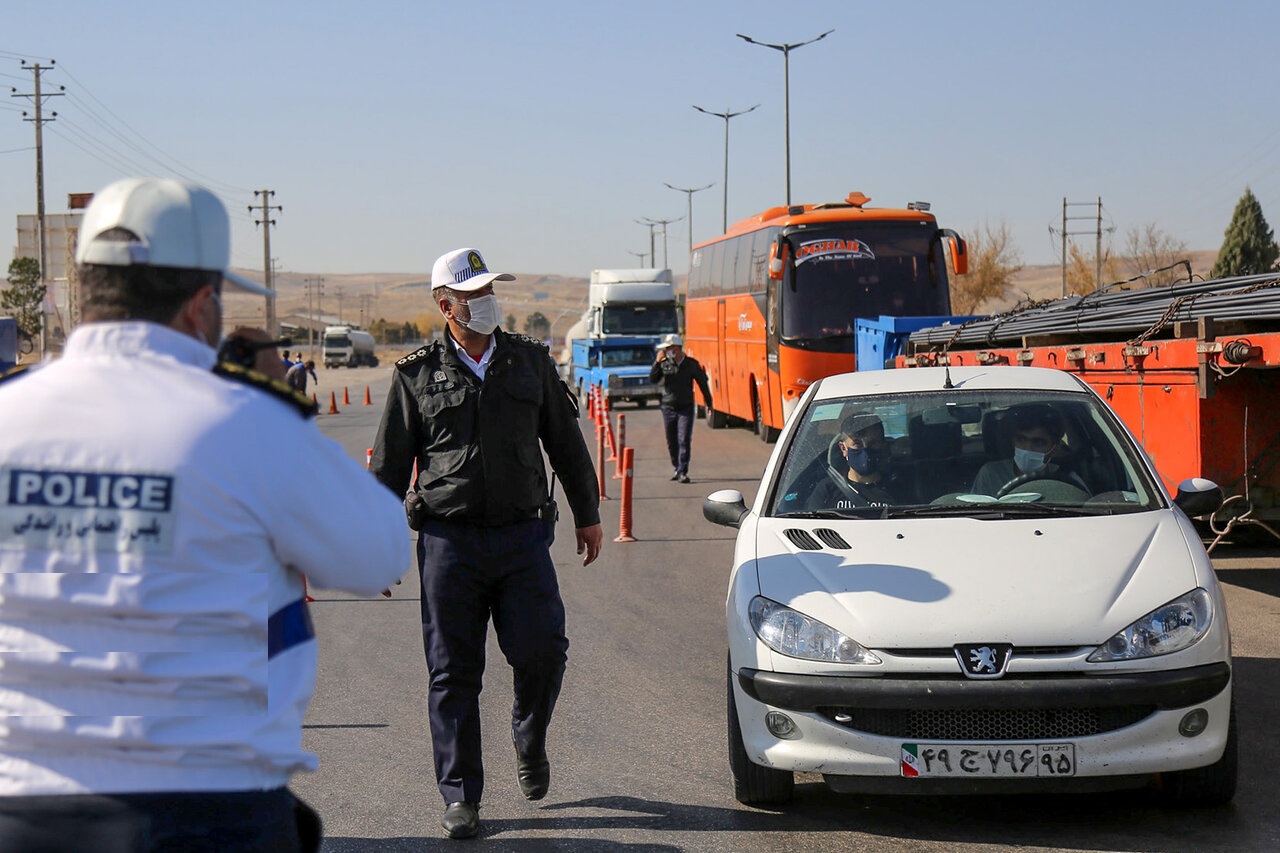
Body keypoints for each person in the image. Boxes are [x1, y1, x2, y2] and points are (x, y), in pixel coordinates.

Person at [0, 177, 410, 852]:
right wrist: (282, 406)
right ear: (202, 304)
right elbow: (380, 550)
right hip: (205, 807)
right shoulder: (249, 425)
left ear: (85, 290)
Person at [369, 247, 603, 840]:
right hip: (450, 544)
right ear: (446, 305)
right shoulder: (414, 374)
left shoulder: (529, 362)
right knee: (453, 674)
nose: (487, 304)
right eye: (475, 296)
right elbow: (390, 469)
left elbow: (566, 444)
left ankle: (529, 738)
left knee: (544, 651)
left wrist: (588, 513)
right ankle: (461, 795)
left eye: (490, 293)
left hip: (524, 537)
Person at [972, 403, 1087, 496]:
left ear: (1055, 449)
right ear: (1013, 441)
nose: (1028, 448)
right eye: (1021, 439)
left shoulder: (1068, 481)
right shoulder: (990, 474)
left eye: (1038, 442)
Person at [649, 333, 712, 483]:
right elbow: (653, 379)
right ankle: (676, 467)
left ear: (677, 348)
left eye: (670, 348)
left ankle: (683, 471)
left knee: (683, 439)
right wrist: (657, 363)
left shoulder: (691, 364)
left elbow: (702, 382)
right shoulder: (664, 364)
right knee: (672, 441)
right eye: (666, 349)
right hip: (668, 407)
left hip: (686, 407)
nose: (668, 351)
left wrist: (709, 402)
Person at [810, 413, 896, 509]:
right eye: (857, 444)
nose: (866, 450)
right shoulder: (827, 491)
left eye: (873, 443)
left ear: (883, 445)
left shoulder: (899, 488)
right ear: (843, 448)